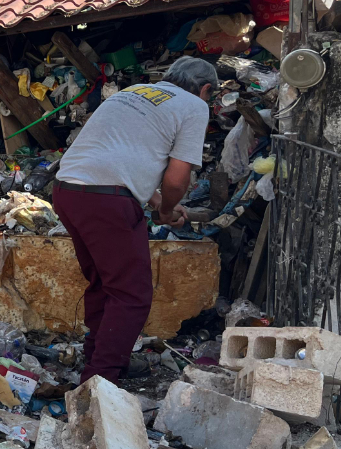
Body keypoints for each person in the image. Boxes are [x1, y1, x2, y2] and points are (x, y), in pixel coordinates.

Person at [53, 55, 218, 383]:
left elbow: (120, 159)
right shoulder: (195, 106)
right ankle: (100, 381)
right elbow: (176, 179)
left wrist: (157, 202)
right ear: (207, 89)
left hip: (67, 190)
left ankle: (98, 356)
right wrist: (167, 209)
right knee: (131, 294)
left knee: (104, 282)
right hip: (107, 201)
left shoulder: (133, 91)